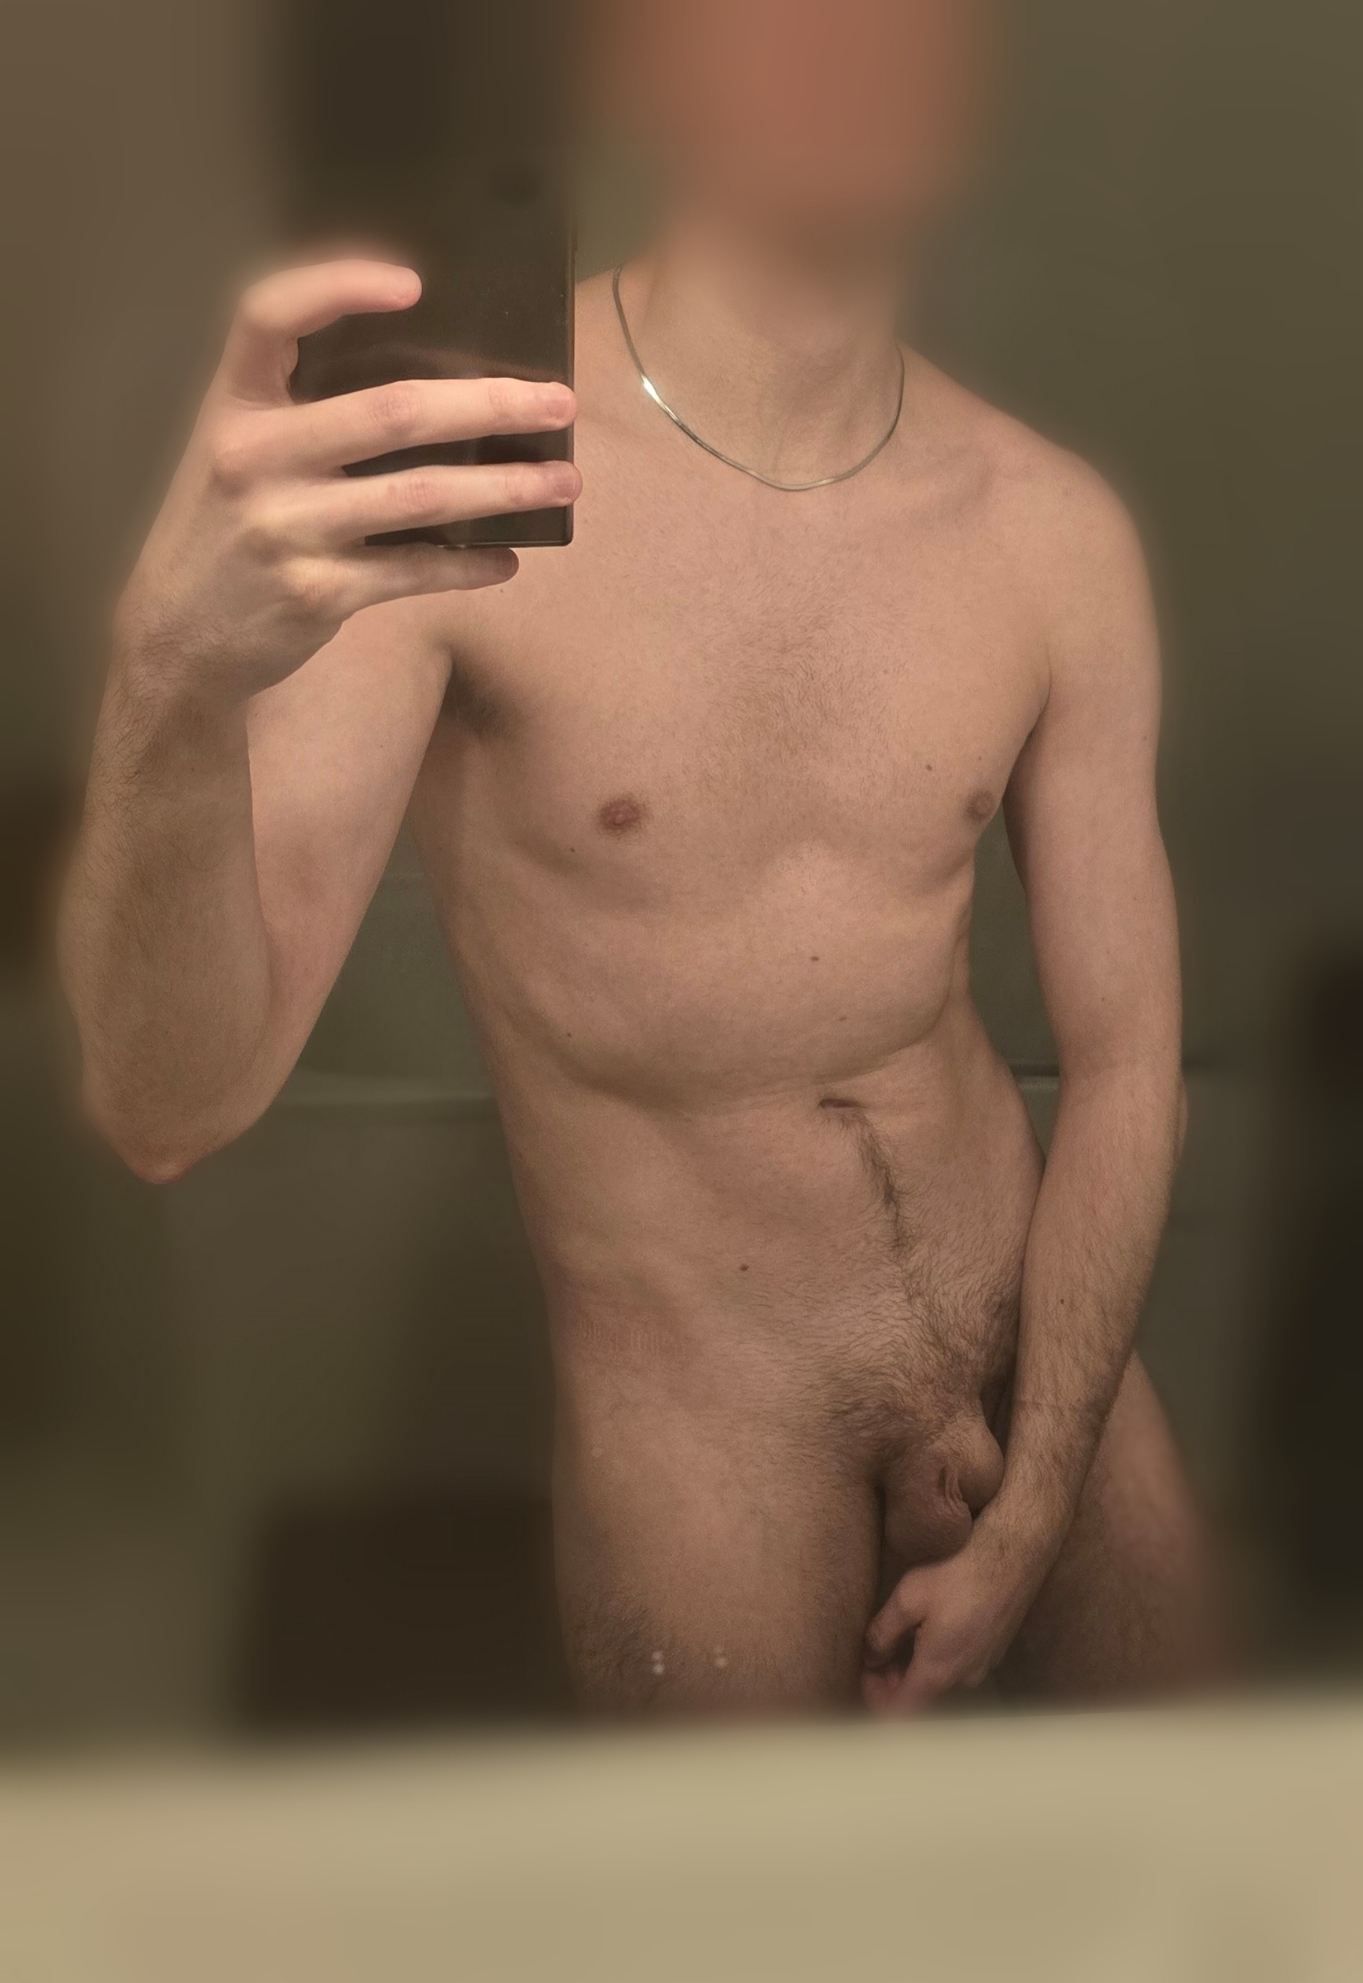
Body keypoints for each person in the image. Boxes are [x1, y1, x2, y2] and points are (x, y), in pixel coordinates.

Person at [60, 0, 1223, 1713]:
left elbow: (1127, 1065)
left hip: (1051, 1380)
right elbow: (171, 1104)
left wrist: (1046, 1482)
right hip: (712, 1440)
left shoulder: (1052, 533)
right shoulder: (461, 477)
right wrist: (167, 677)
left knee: (1220, 1862)